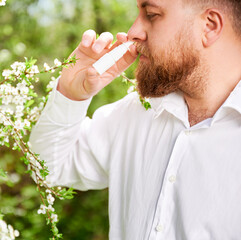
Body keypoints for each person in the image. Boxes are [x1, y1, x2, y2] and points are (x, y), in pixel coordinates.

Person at [29, 0, 241, 239]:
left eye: (151, 15)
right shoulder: (136, 112)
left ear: (210, 26)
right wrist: (71, 94)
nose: (133, 33)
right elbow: (48, 169)